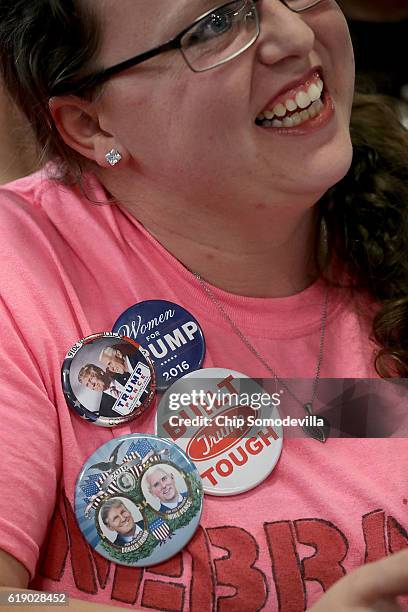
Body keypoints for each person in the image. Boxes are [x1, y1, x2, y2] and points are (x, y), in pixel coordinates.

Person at [0, 1, 407, 611]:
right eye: (215, 24)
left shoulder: (386, 220)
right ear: (91, 125)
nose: (294, 35)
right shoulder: (24, 264)